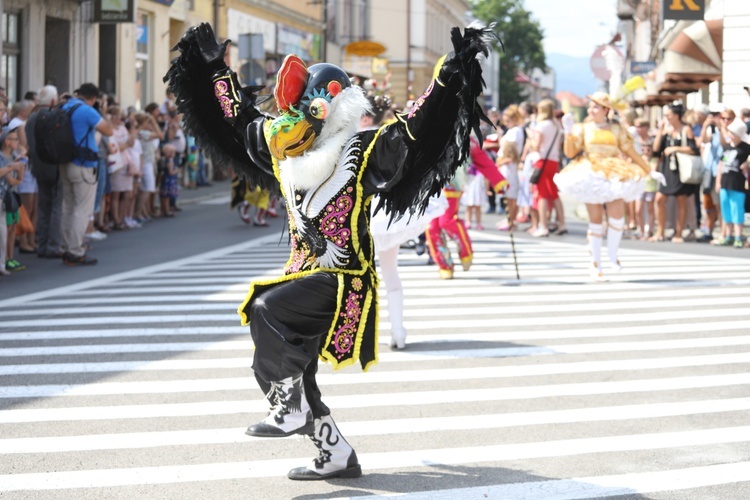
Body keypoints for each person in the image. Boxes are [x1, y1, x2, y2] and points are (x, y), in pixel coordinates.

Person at [166, 22, 495, 480]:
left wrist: (449, 76)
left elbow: (417, 130)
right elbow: (236, 118)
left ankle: (292, 410)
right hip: (301, 274)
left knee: (265, 310)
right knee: (284, 374)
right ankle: (336, 453)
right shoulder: (284, 153)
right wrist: (215, 68)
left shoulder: (363, 150)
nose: (301, 117)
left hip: (345, 280)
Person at [556, 92, 662, 280]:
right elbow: (571, 152)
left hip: (614, 172)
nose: (591, 109)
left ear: (606, 110)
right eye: (591, 106)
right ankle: (595, 264)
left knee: (617, 218)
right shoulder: (583, 128)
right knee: (595, 220)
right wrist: (568, 132)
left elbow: (630, 150)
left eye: (596, 106)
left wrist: (648, 170)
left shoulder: (617, 129)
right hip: (591, 172)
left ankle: (613, 255)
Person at [60, 83, 113, 265]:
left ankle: (66, 247)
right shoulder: (87, 111)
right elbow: (108, 130)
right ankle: (75, 250)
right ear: (93, 98)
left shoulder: (65, 106)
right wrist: (103, 111)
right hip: (83, 165)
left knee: (67, 207)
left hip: (65, 162)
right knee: (82, 210)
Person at [651, 103, 700, 243]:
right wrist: (660, 131)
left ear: (676, 116)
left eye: (669, 115)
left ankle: (679, 233)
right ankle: (660, 231)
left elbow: (694, 150)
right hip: (667, 169)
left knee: (681, 201)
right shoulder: (666, 130)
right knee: (659, 199)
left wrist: (675, 149)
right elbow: (656, 150)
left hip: (681, 170)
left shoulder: (686, 129)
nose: (666, 117)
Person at [25, 85, 64, 259]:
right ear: (54, 100)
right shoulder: (54, 116)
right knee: (56, 206)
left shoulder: (31, 118)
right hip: (54, 165)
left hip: (38, 166)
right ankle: (54, 245)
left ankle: (42, 244)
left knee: (43, 206)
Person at [529, 99, 565, 237]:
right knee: (554, 193)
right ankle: (562, 223)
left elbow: (536, 145)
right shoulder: (556, 125)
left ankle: (543, 226)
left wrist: (531, 138)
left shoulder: (541, 125)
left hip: (542, 160)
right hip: (553, 161)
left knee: (542, 194)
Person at [713, 119, 750, 247]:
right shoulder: (727, 146)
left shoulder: (746, 148)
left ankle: (738, 236)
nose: (730, 134)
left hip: (738, 183)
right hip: (725, 181)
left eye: (733, 132)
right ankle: (728, 235)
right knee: (726, 209)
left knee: (737, 208)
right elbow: (721, 164)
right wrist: (718, 181)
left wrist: (747, 166)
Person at [0, 126, 26, 272]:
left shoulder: (11, 157)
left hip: (9, 196)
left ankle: (7, 259)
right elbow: (10, 180)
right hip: (6, 195)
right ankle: (5, 260)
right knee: (5, 229)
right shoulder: (3, 158)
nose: (18, 141)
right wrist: (14, 168)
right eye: (15, 139)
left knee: (10, 229)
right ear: (7, 142)